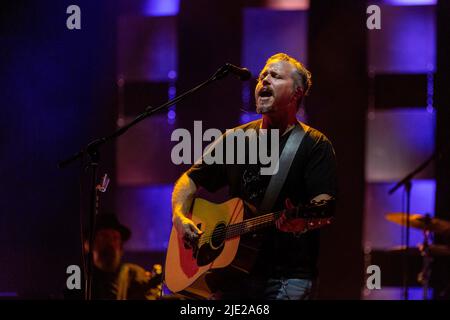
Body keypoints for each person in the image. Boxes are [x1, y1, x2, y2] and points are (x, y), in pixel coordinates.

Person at [171, 53, 337, 300]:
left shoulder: (315, 145)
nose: (264, 80)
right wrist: (179, 216)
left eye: (275, 76)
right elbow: (190, 180)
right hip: (232, 275)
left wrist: (303, 223)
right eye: (262, 76)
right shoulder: (235, 139)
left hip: (286, 277)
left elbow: (324, 206)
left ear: (296, 93)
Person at [68, 213, 162, 300]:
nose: (111, 243)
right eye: (104, 236)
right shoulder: (77, 276)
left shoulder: (133, 274)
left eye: (115, 237)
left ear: (121, 246)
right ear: (88, 245)